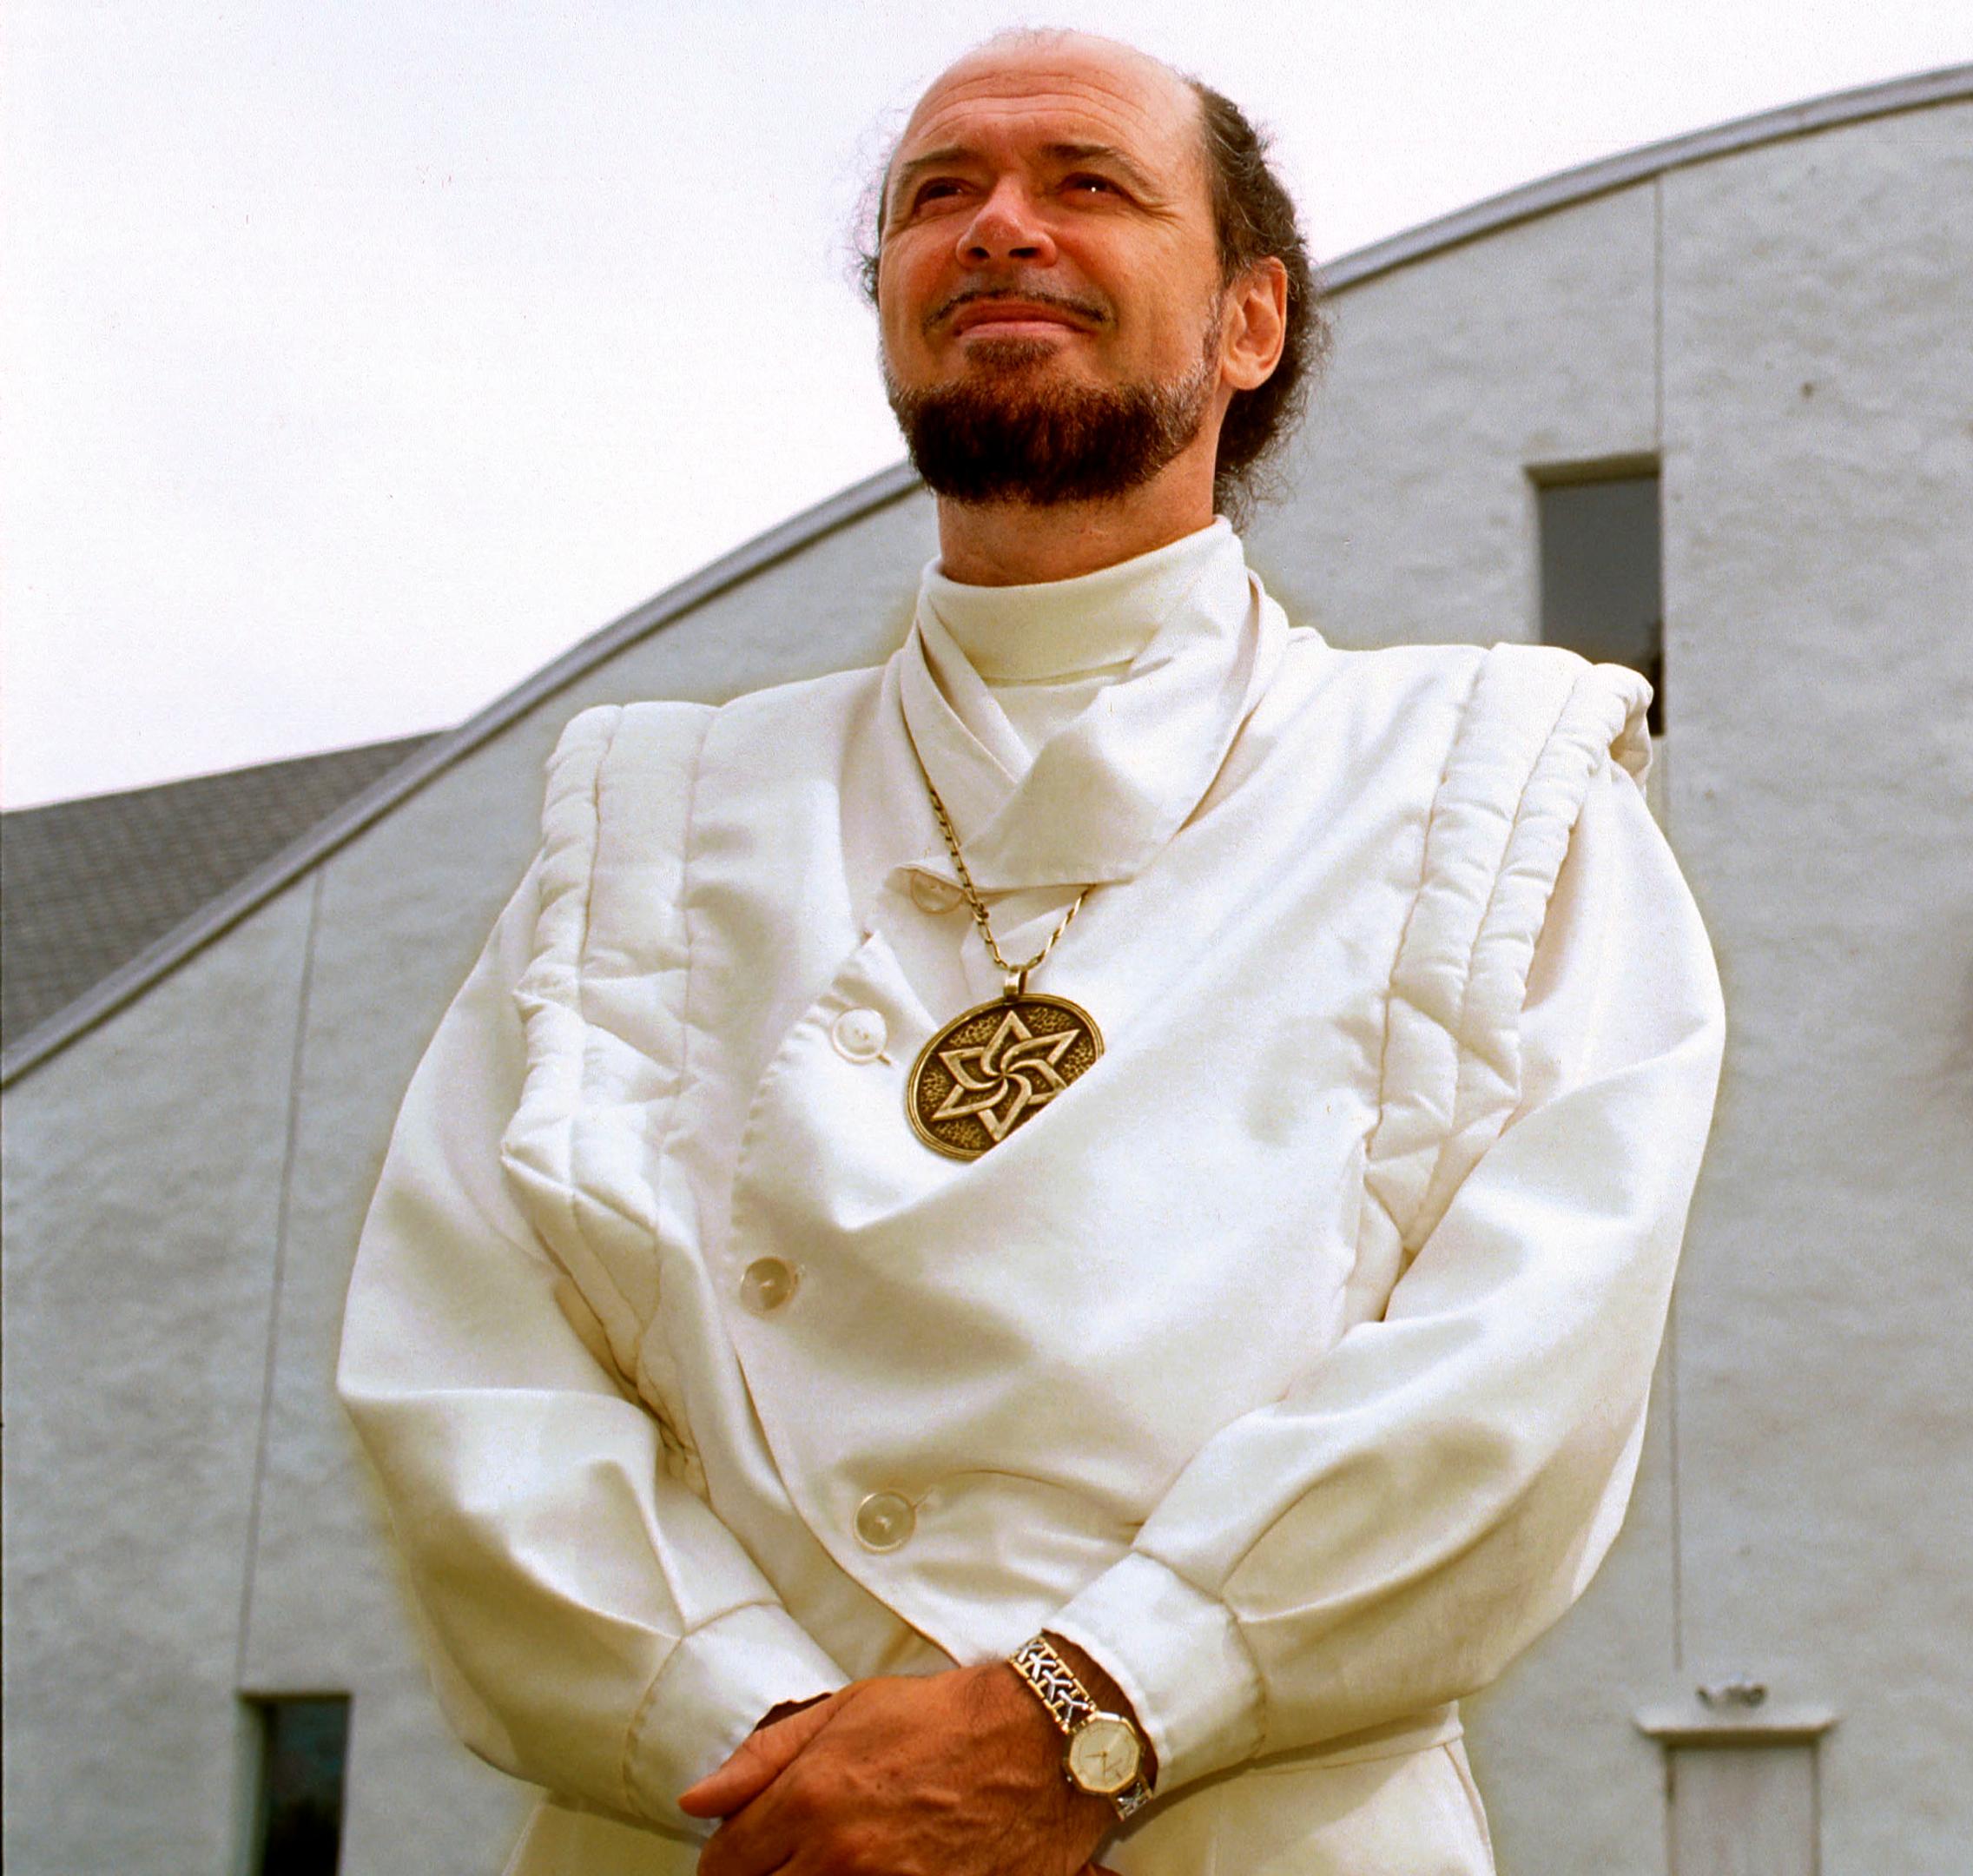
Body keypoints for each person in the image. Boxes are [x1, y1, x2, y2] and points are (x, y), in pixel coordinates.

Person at [334, 30, 1723, 1876]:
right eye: (937, 196)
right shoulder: (648, 813)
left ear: (1248, 321)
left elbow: (1519, 1372)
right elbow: (465, 1363)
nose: (998, 228)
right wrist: (776, 1750)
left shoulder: (1497, 781)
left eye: (1087, 182)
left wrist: (1088, 1715)